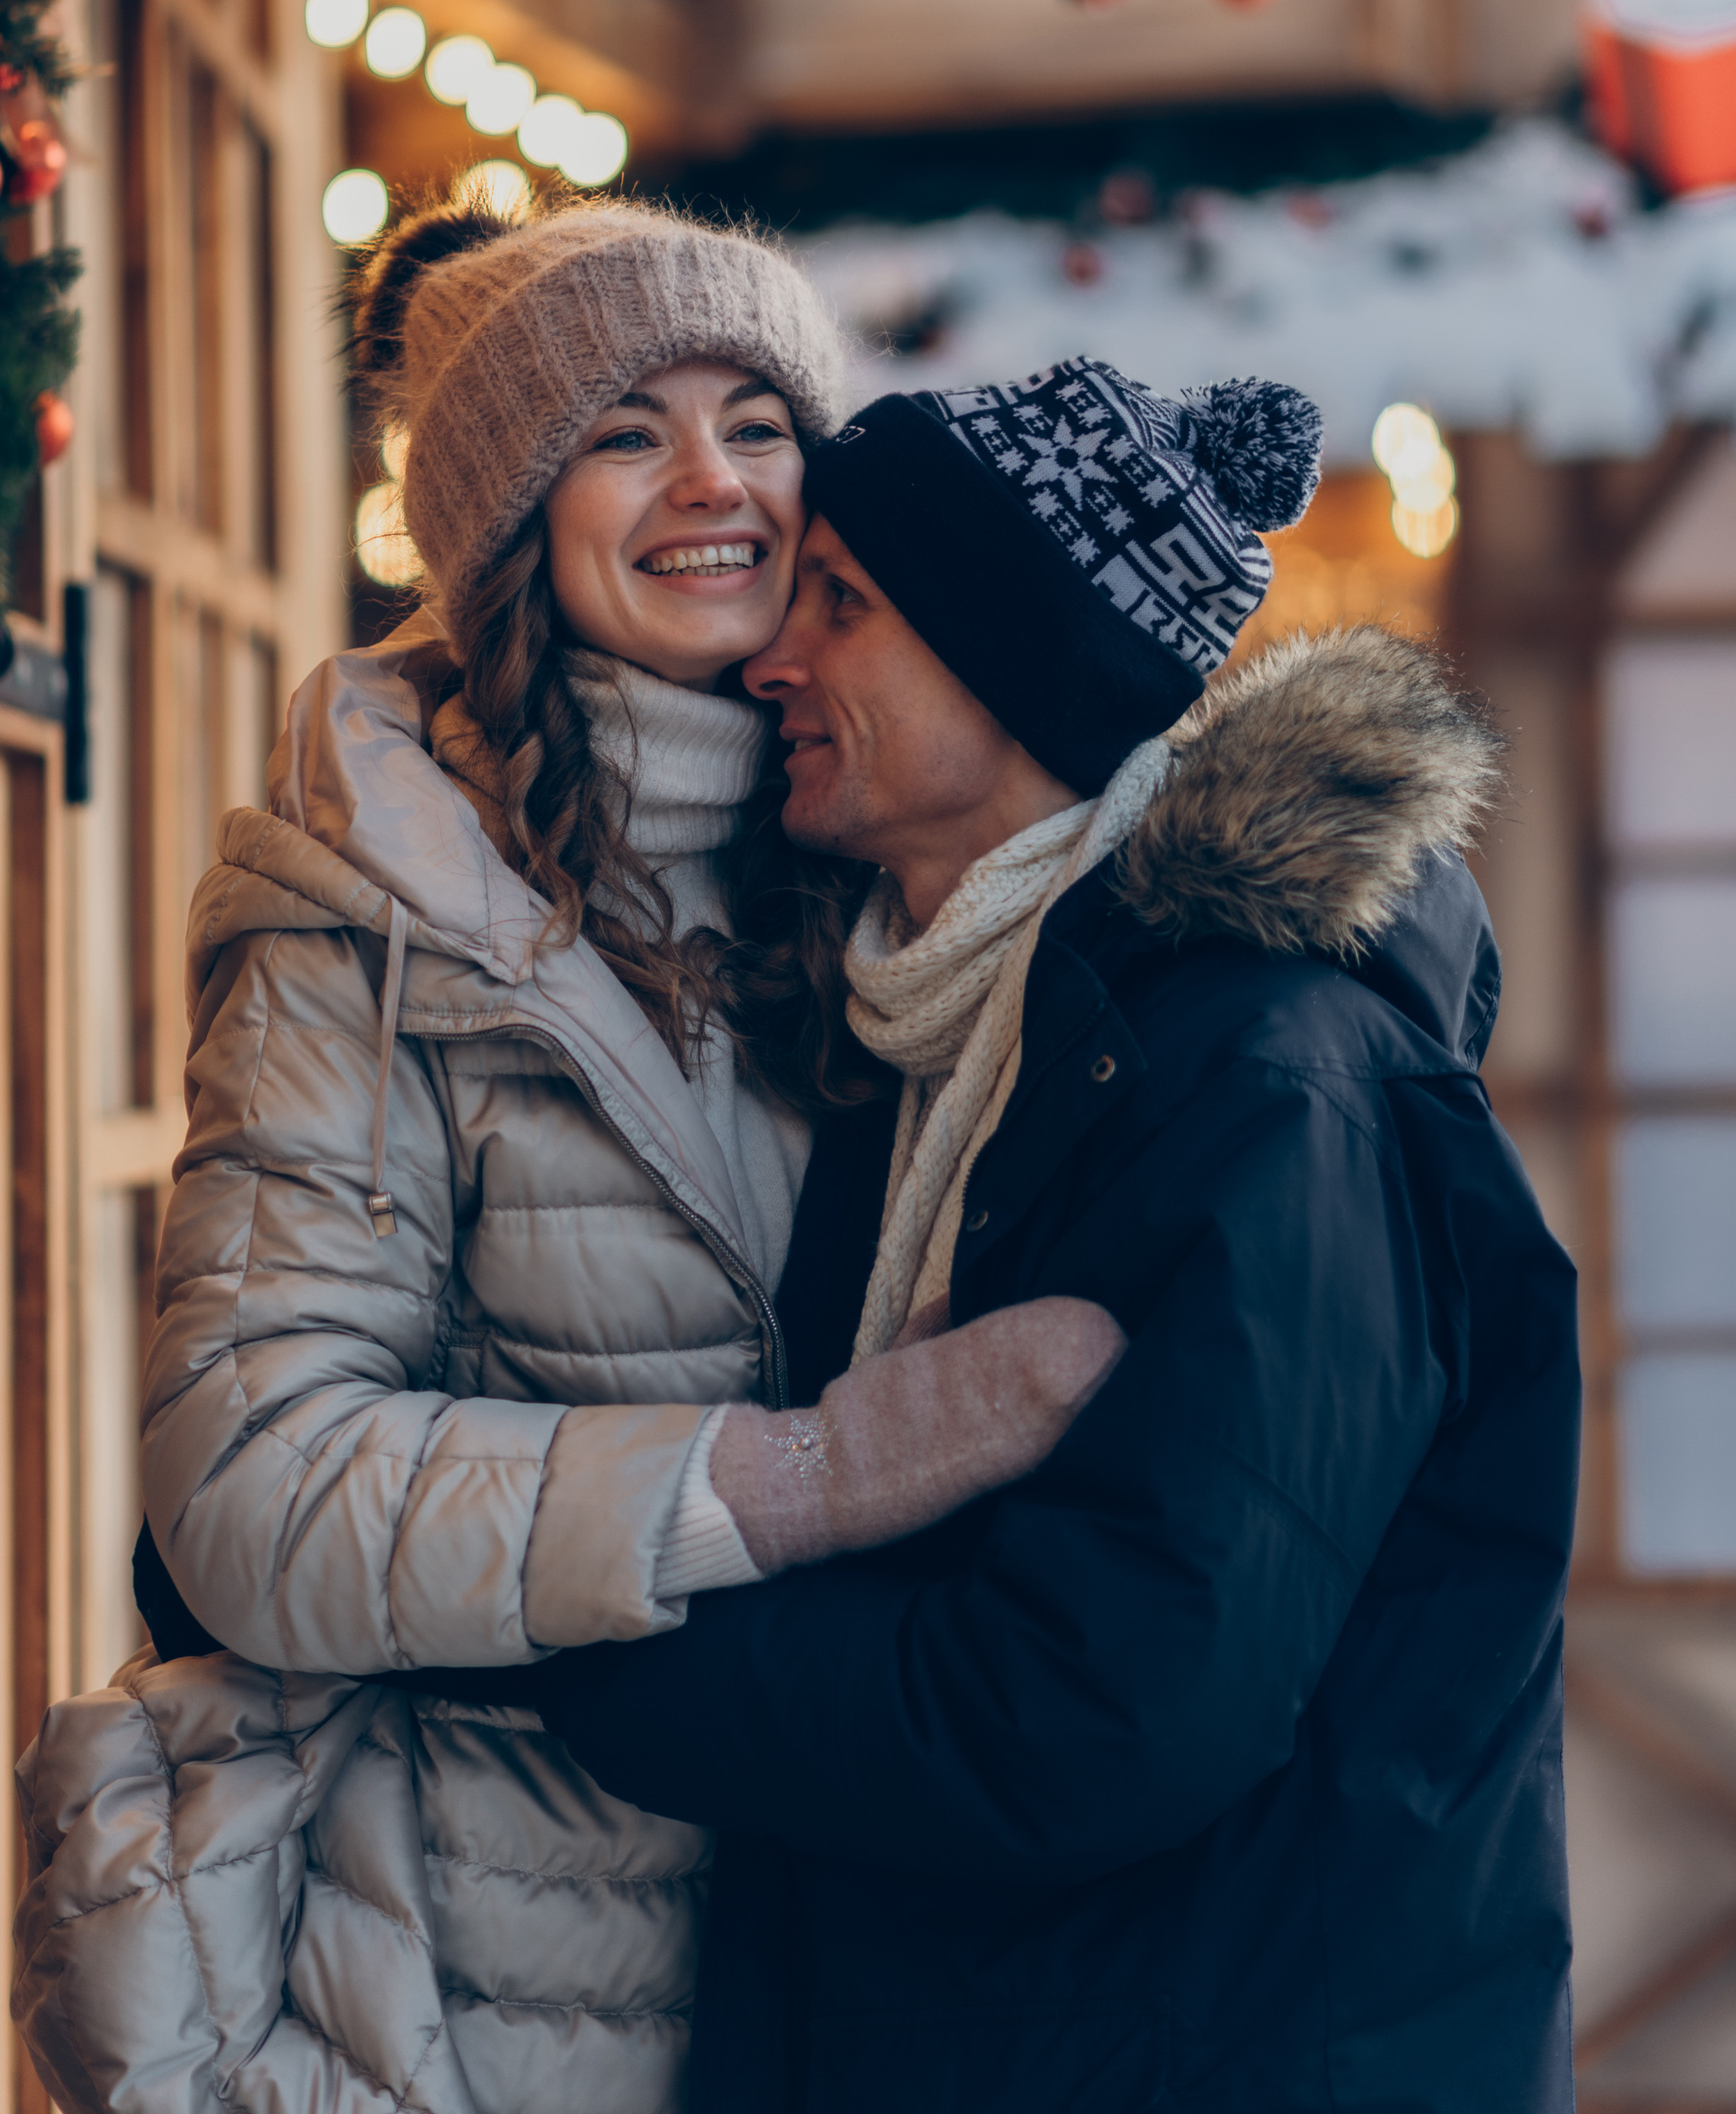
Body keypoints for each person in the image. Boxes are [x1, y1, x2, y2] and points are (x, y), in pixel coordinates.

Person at [12, 193, 1123, 2114]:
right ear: (508, 515)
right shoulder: (367, 910)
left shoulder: (896, 866)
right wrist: (788, 1483)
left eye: (757, 425)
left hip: (846, 1943)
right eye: (624, 433)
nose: (713, 484)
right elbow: (250, 1481)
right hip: (461, 1965)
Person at [541, 354, 1583, 2114]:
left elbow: (1100, 1705)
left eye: (843, 604)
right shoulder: (920, 1052)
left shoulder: (1273, 1087)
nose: (774, 659)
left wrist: (547, 1630)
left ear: (1010, 658)